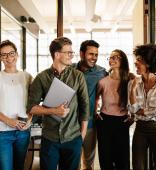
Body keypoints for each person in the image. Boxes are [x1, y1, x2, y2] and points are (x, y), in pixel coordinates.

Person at [27, 37, 90, 170]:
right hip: (50, 138)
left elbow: (85, 106)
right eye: (68, 52)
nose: (71, 55)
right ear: (56, 54)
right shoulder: (41, 78)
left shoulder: (78, 76)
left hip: (73, 138)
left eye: (71, 52)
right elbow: (31, 108)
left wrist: (82, 135)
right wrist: (54, 111)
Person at [128, 44, 156, 170]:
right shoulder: (132, 83)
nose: (135, 63)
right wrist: (133, 89)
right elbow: (131, 109)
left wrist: (139, 111)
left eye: (139, 60)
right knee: (137, 165)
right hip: (140, 128)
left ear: (149, 63)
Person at [73, 40, 107, 170]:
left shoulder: (101, 73)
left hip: (90, 123)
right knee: (73, 162)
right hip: (70, 124)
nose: (94, 58)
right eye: (91, 54)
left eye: (96, 54)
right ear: (81, 54)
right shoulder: (69, 70)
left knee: (88, 162)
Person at [96, 49, 132, 170]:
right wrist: (96, 112)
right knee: (106, 157)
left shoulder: (130, 80)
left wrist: (133, 116)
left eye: (116, 57)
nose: (112, 60)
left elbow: (137, 100)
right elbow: (95, 99)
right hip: (105, 121)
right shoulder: (102, 82)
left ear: (123, 60)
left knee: (122, 158)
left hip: (122, 121)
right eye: (110, 57)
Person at [0, 40, 32, 170]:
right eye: (4, 54)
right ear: (0, 58)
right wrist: (8, 121)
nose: (8, 57)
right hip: (2, 133)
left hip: (23, 133)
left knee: (19, 167)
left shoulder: (27, 76)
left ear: (17, 55)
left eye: (11, 53)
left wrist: (30, 119)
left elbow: (33, 103)